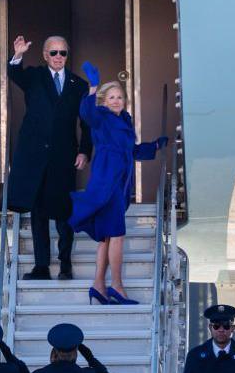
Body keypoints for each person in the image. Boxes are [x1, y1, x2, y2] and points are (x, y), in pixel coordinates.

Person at [69, 62, 167, 305]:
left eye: (120, 97)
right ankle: (118, 287)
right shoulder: (100, 117)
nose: (116, 100)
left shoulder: (124, 119)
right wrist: (93, 86)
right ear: (104, 101)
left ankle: (98, 285)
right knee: (117, 235)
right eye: (111, 97)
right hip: (107, 182)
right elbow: (86, 113)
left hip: (119, 181)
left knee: (106, 237)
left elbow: (130, 151)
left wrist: (154, 146)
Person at [8, 35, 92, 280]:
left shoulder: (79, 85)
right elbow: (15, 74)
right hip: (35, 154)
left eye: (62, 53)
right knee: (38, 212)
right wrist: (18, 55)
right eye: (53, 53)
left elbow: (86, 122)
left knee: (64, 212)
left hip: (64, 154)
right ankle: (41, 266)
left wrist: (85, 150)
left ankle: (65, 265)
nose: (58, 57)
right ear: (45, 55)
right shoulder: (34, 76)